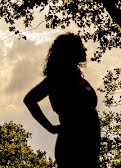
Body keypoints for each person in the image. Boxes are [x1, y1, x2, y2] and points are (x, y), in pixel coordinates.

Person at [23, 33, 100, 168]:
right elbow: (29, 99)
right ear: (70, 51)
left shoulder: (78, 78)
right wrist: (50, 127)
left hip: (90, 143)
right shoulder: (58, 77)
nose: (85, 50)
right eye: (80, 47)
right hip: (73, 144)